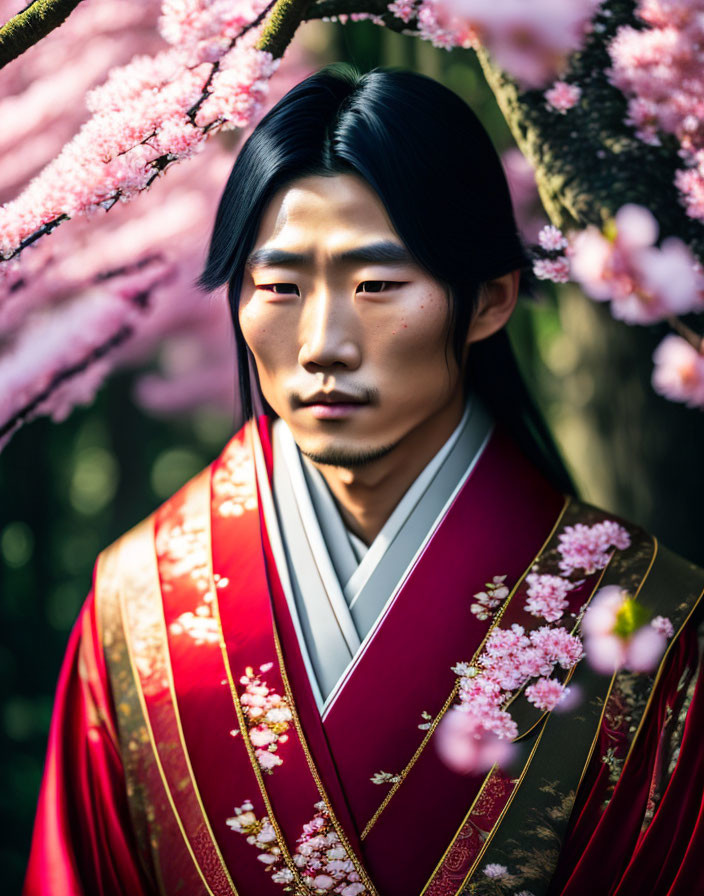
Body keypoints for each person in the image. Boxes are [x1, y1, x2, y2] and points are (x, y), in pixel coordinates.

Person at [23, 64, 704, 896]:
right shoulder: (136, 607)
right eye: (278, 287)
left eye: (376, 285)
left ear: (489, 299)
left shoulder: (644, 622)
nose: (321, 345)